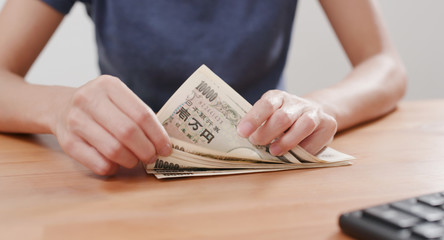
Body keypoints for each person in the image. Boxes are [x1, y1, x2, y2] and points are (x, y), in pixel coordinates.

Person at [0, 0, 407, 176]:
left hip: (263, 174)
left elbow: (384, 65)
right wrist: (58, 107)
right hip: (127, 179)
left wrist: (315, 108)